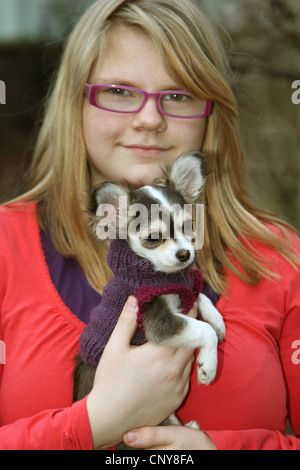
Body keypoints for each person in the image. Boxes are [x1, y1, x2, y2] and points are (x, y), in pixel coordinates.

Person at [0, 0, 299, 451]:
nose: (149, 120)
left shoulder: (280, 260)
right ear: (74, 101)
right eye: (119, 91)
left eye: (178, 96)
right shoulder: (5, 247)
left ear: (210, 110)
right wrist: (93, 424)